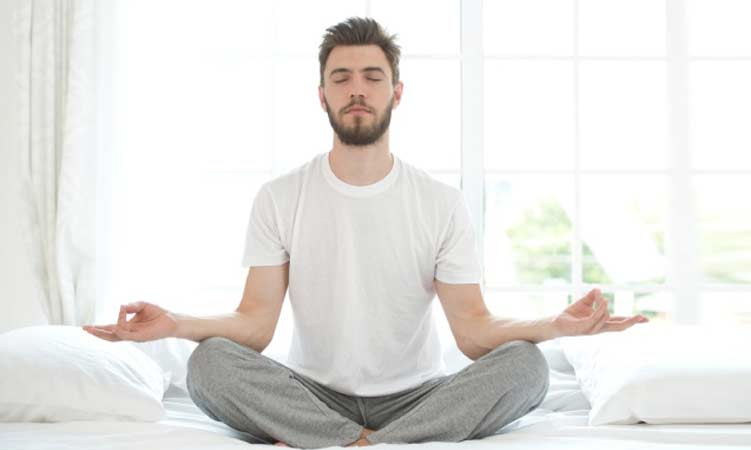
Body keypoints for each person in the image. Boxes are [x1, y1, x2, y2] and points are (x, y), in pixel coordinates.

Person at [82, 16, 649, 449]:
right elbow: (254, 325)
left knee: (527, 366)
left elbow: (473, 331)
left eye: (373, 77)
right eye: (342, 78)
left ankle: (359, 445)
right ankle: (357, 441)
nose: (358, 89)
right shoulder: (280, 196)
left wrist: (553, 326)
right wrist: (176, 325)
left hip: (420, 397)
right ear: (322, 94)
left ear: (396, 93)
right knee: (207, 365)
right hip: (309, 392)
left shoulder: (440, 203)